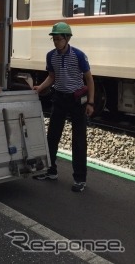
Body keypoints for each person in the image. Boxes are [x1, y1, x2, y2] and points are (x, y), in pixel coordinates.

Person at [33, 22, 94, 192]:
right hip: (59, 98)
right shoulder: (51, 56)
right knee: (52, 136)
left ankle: (80, 179)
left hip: (76, 100)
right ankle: (50, 171)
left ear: (67, 39)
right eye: (54, 39)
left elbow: (89, 79)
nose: (55, 42)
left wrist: (90, 102)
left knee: (79, 140)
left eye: (58, 39)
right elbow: (52, 76)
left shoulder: (79, 55)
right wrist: (41, 87)